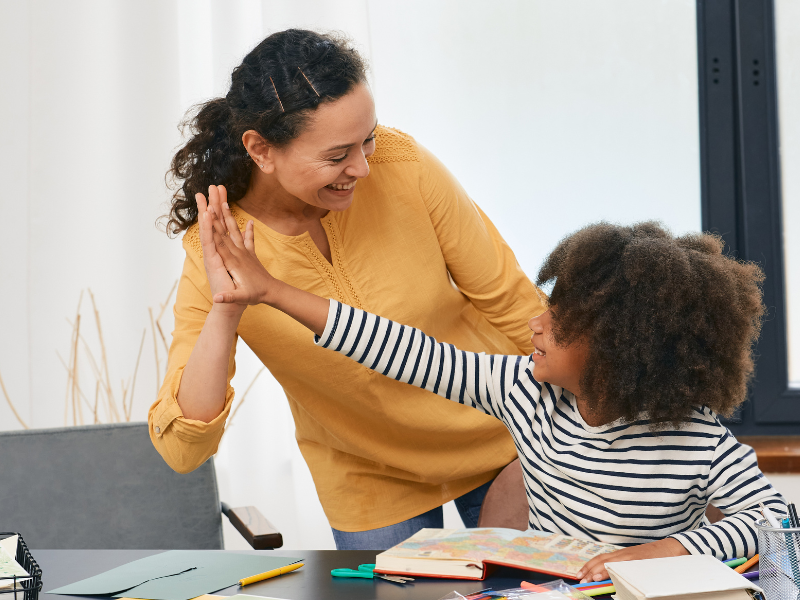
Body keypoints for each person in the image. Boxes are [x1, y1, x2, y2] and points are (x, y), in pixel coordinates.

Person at [203, 215, 787, 582]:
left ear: (618, 352)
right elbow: (403, 350)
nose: (535, 325)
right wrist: (274, 291)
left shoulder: (695, 438)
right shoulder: (527, 393)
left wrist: (659, 550)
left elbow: (774, 520)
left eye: (558, 324)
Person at [148, 29, 546, 550]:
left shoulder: (403, 166)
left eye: (368, 139)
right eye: (337, 155)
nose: (361, 167)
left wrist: (571, 435)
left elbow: (514, 303)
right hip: (368, 476)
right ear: (260, 149)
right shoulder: (218, 247)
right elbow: (184, 449)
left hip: (501, 438)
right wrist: (226, 310)